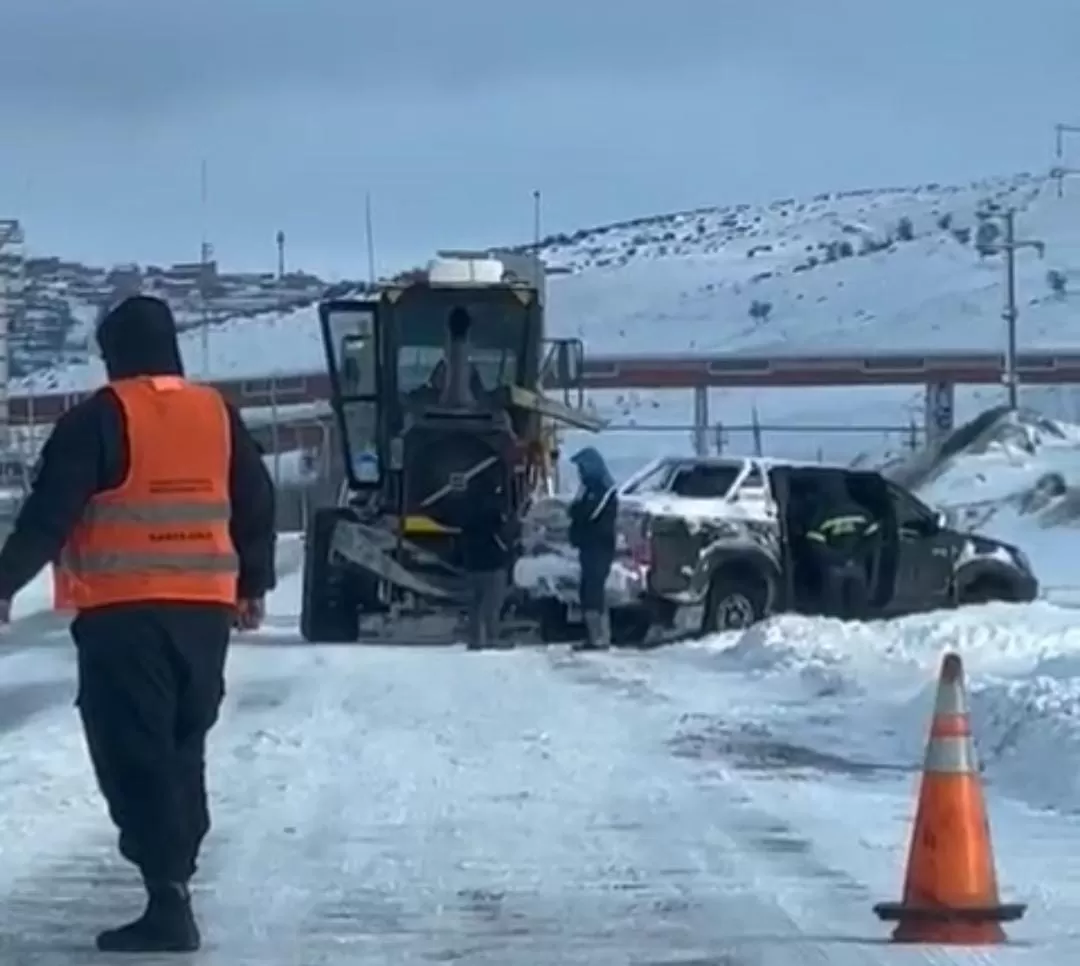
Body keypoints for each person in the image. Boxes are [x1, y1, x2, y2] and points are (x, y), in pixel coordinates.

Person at [0, 295, 276, 954]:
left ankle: (167, 898)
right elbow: (256, 497)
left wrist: (4, 583)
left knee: (133, 754)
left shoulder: (98, 418)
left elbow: (49, 513)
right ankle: (174, 877)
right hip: (203, 614)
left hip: (123, 616)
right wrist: (252, 584)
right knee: (182, 746)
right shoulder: (219, 415)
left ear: (113, 353)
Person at [804, 473, 877, 619]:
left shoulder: (822, 514)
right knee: (857, 603)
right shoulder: (861, 511)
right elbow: (874, 536)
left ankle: (837, 631)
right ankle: (857, 628)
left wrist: (833, 557)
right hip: (856, 563)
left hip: (833, 566)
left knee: (833, 607)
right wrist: (858, 555)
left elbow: (814, 540)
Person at [567, 447, 618, 650]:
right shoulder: (587, 488)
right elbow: (575, 509)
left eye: (582, 467)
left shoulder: (603, 489)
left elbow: (586, 512)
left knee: (593, 590)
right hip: (588, 546)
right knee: (587, 590)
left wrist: (576, 512)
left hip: (599, 546)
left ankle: (600, 637)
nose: (580, 472)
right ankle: (594, 635)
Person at [459, 474, 514, 650]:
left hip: (472, 563)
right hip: (493, 563)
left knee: (474, 604)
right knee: (492, 604)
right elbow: (502, 534)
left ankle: (475, 639)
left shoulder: (465, 508)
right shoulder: (494, 508)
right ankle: (491, 637)